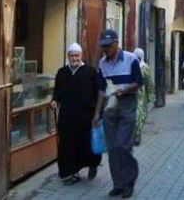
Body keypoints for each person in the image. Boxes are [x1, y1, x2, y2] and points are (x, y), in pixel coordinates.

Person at [95, 30, 143, 198]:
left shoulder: (131, 59)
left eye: (108, 46)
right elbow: (101, 90)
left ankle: (129, 182)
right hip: (110, 106)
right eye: (103, 47)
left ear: (116, 43)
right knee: (113, 148)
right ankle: (118, 184)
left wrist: (125, 88)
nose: (105, 49)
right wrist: (97, 113)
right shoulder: (102, 63)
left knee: (124, 144)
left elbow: (139, 82)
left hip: (127, 103)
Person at [52, 42, 105, 185]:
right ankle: (70, 173)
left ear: (81, 55)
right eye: (71, 55)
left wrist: (97, 114)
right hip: (67, 117)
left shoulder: (91, 71)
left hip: (86, 116)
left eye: (77, 55)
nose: (74, 58)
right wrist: (54, 100)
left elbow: (100, 92)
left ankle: (92, 165)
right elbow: (57, 91)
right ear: (68, 56)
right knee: (67, 145)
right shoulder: (62, 72)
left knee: (88, 144)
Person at [133, 48, 155, 146]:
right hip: (130, 94)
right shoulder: (130, 65)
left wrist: (151, 96)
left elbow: (149, 82)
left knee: (140, 116)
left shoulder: (144, 67)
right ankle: (134, 135)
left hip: (141, 95)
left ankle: (137, 135)